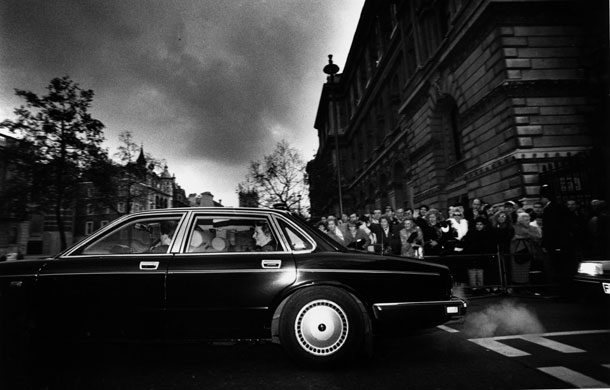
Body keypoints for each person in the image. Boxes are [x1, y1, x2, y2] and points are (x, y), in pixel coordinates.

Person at [510, 212, 543, 288]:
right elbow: (513, 238)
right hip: (517, 252)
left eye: (529, 220)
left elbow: (538, 237)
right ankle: (518, 285)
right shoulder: (514, 228)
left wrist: (525, 236)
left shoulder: (532, 228)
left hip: (530, 252)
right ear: (520, 221)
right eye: (526, 220)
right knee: (517, 270)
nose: (528, 221)